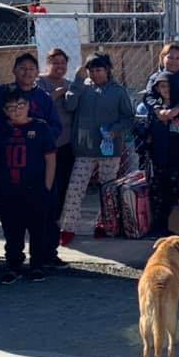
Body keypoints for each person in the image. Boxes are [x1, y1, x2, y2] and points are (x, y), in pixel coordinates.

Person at [59, 54, 134, 244]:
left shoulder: (118, 91)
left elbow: (128, 117)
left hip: (110, 150)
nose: (95, 74)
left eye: (98, 70)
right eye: (91, 70)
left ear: (107, 70)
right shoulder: (82, 88)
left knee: (107, 190)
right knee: (75, 189)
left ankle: (106, 224)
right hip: (85, 149)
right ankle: (68, 227)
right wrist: (77, 80)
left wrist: (114, 131)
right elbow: (70, 104)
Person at [0, 88, 57, 284]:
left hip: (35, 188)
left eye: (21, 105)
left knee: (38, 230)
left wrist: (47, 186)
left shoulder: (40, 127)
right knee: (12, 231)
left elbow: (50, 159)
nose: (17, 110)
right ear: (5, 110)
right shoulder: (2, 129)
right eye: (11, 107)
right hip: (8, 189)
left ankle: (37, 266)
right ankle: (13, 266)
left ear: (28, 106)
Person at [36, 48, 74, 269]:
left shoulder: (70, 84)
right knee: (46, 198)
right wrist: (56, 95)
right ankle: (40, 250)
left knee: (59, 199)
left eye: (63, 63)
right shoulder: (39, 84)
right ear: (47, 63)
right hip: (45, 150)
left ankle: (51, 249)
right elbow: (35, 109)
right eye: (55, 62)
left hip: (66, 148)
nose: (59, 67)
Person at [144, 72, 179, 235]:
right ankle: (158, 225)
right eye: (162, 86)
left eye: (169, 85)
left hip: (175, 158)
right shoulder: (156, 108)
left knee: (173, 193)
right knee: (157, 192)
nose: (166, 89)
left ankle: (172, 227)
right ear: (157, 88)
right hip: (157, 156)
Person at [0, 53, 63, 141]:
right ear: (14, 70)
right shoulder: (0, 92)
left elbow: (56, 127)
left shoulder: (44, 97)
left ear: (37, 73)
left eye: (31, 69)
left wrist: (39, 136)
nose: (27, 72)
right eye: (22, 68)